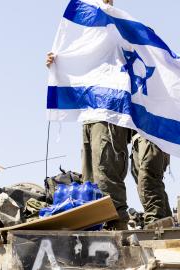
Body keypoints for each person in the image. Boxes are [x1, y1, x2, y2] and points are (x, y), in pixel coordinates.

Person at [47, 56, 130, 230]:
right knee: (89, 178)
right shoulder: (93, 40)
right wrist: (59, 64)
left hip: (110, 110)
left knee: (105, 172)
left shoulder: (115, 37)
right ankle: (97, 223)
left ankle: (114, 225)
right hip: (89, 112)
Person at [130, 132, 173, 228]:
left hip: (151, 132)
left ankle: (155, 222)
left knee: (148, 177)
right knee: (145, 180)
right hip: (138, 136)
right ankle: (165, 222)